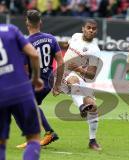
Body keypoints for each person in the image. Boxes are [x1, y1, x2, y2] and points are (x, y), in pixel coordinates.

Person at [16, 10, 64, 149]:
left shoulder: (26, 43)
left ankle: (47, 133)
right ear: (40, 22)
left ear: (27, 23)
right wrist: (58, 84)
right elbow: (60, 62)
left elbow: (24, 68)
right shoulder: (51, 38)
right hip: (48, 82)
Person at [0, 23, 43, 160]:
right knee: (34, 139)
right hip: (21, 90)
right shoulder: (11, 29)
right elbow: (34, 55)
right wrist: (35, 78)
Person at [59, 19, 101, 151]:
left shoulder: (95, 50)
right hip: (65, 74)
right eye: (88, 27)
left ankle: (92, 141)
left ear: (96, 31)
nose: (91, 30)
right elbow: (67, 45)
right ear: (83, 28)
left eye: (93, 29)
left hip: (79, 76)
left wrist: (78, 69)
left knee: (93, 107)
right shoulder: (75, 37)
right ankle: (82, 106)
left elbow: (91, 75)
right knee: (72, 80)